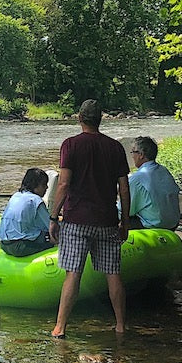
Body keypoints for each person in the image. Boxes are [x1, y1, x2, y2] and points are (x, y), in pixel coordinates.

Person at [48, 100, 132, 337]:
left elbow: (63, 184)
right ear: (100, 119)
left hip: (76, 220)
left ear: (79, 118)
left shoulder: (71, 145)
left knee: (73, 273)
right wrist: (124, 221)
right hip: (106, 220)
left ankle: (60, 327)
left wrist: (54, 216)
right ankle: (120, 325)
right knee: (113, 274)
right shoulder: (115, 148)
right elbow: (124, 189)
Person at [127, 136, 181, 230]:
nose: (132, 156)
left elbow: (126, 210)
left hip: (153, 227)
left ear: (141, 155)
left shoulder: (137, 178)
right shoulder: (164, 171)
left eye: (133, 152)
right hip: (173, 225)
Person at [0, 168, 54, 257]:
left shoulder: (16, 195)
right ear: (35, 185)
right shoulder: (36, 200)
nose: (47, 187)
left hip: (4, 244)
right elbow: (50, 226)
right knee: (51, 236)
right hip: (20, 247)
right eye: (44, 185)